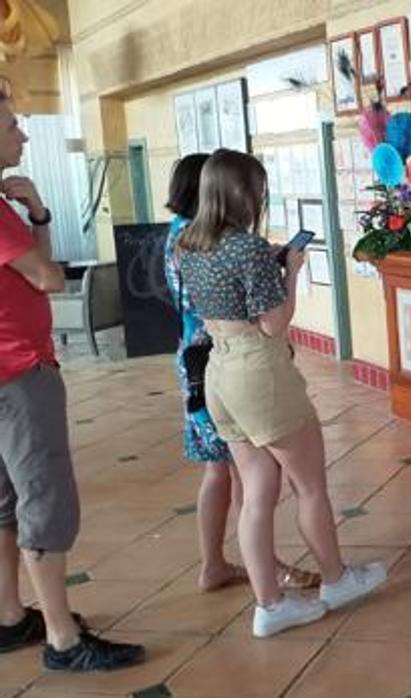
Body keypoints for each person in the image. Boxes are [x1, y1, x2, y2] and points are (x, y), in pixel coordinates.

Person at [176, 149, 385, 638]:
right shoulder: (247, 248)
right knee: (309, 483)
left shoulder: (188, 243)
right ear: (242, 192)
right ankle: (335, 580)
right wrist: (289, 269)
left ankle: (270, 605)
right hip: (258, 370)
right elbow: (274, 325)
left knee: (256, 494)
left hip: (219, 373)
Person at [0, 92, 145, 670]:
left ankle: (9, 615)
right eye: (12, 126)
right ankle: (62, 638)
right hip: (18, 372)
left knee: (5, 503)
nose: (23, 136)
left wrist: (34, 211)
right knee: (44, 498)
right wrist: (38, 217)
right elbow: (49, 279)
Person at [163, 154, 319, 594]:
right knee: (253, 480)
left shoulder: (184, 240)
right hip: (233, 360)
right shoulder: (221, 243)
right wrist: (281, 273)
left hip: (207, 365)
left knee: (232, 473)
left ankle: (245, 576)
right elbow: (268, 321)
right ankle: (268, 571)